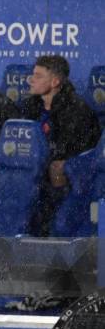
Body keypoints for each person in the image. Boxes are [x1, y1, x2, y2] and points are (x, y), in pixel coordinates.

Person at [22, 55, 101, 236]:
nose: (31, 80)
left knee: (57, 170)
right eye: (32, 74)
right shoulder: (29, 107)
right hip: (34, 176)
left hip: (67, 181)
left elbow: (71, 153)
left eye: (38, 76)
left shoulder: (78, 111)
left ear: (56, 81)